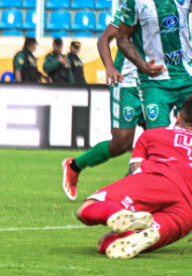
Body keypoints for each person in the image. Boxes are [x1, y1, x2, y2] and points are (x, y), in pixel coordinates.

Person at [74, 97, 192, 259]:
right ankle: (142, 232)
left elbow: (135, 168)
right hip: (187, 212)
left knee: (87, 208)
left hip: (158, 180)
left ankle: (127, 219)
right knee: (108, 243)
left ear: (178, 117)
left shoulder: (154, 134)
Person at [62, 13, 160, 201]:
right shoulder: (135, 3)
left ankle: (128, 194)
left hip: (154, 85)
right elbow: (104, 38)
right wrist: (109, 67)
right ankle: (75, 166)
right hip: (126, 83)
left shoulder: (173, 5)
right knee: (121, 143)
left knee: (158, 142)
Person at [115, 0, 192, 134]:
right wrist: (142, 65)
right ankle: (138, 162)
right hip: (154, 80)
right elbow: (122, 38)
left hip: (187, 76)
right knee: (158, 140)